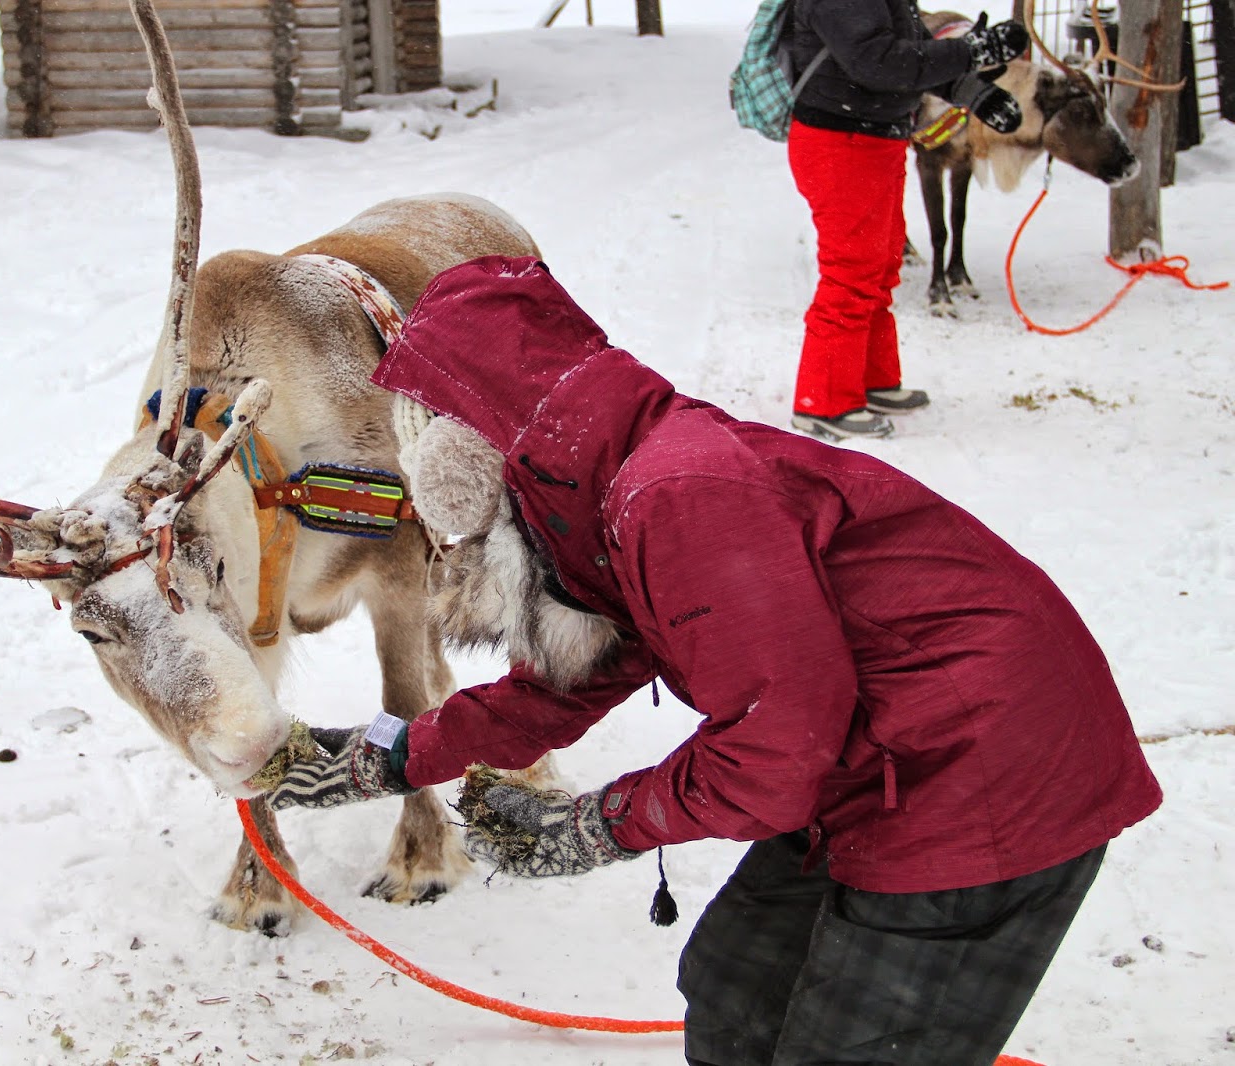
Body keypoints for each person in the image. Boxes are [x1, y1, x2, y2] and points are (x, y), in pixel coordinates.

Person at [266, 255, 1162, 1066]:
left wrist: (597, 825)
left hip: (985, 778)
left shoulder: (677, 497)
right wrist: (378, 759)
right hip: (870, 762)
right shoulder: (593, 502)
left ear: (475, 443)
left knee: (847, 1049)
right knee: (734, 993)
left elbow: (775, 751)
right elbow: (558, 691)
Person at [783, 3, 1031, 440]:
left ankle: (870, 381)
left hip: (874, 138)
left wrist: (975, 92)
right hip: (840, 141)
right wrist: (970, 50)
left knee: (879, 266)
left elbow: (912, 55)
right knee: (852, 272)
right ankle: (823, 402)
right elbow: (877, 63)